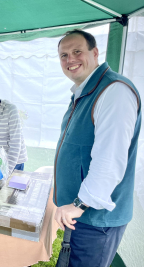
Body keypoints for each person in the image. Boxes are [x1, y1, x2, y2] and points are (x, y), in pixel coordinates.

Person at [54, 29, 141, 267]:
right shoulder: (85, 91)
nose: (70, 59)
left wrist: (79, 204)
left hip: (94, 218)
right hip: (80, 215)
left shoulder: (114, 91)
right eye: (63, 55)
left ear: (95, 53)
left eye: (76, 51)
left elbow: (109, 161)